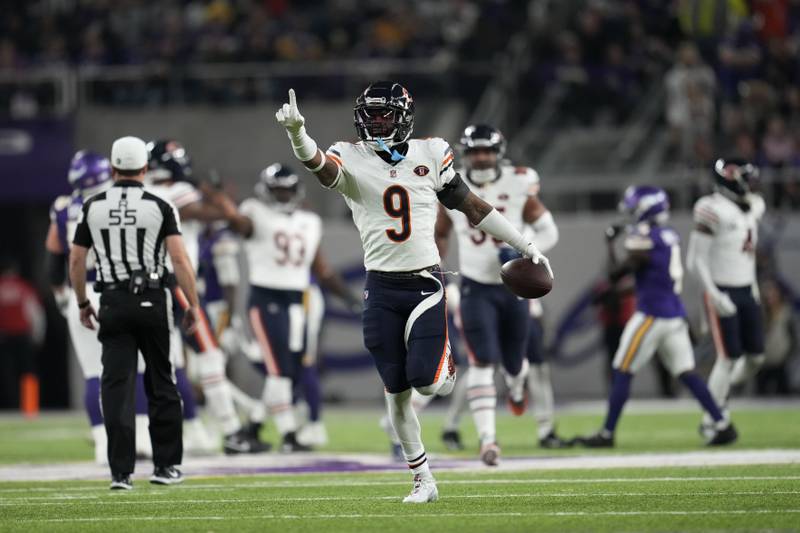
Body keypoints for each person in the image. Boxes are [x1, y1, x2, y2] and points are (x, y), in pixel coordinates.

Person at [275, 83, 552, 502]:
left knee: (427, 384)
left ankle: (447, 368)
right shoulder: (350, 157)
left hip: (424, 283)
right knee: (396, 392)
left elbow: (474, 207)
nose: (377, 122)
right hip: (381, 288)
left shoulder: (430, 153)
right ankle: (423, 478)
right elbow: (321, 168)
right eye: (371, 115)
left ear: (403, 116)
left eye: (385, 114)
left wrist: (527, 247)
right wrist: (298, 133)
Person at [69, 135, 197, 490]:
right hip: (153, 300)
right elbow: (179, 259)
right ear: (144, 167)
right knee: (161, 383)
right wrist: (193, 304)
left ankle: (120, 472)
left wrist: (81, 302)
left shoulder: (91, 205)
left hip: (111, 300)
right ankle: (166, 466)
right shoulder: (161, 204)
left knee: (115, 385)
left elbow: (77, 258)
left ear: (112, 168)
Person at [434, 124, 564, 465]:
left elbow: (549, 230)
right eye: (474, 151)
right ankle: (488, 441)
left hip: (513, 290)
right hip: (476, 288)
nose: (480, 157)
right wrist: (437, 268)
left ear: (498, 152)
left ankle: (517, 390)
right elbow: (440, 234)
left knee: (516, 364)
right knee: (480, 362)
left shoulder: (519, 181)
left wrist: (526, 255)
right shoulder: (450, 184)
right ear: (465, 153)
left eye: (486, 150)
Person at [574, 186, 737, 448]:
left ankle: (607, 432)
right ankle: (722, 423)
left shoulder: (645, 236)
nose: (629, 212)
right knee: (686, 372)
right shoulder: (669, 235)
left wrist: (610, 244)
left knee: (622, 369)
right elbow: (651, 277)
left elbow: (616, 272)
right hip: (674, 315)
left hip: (652, 315)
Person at [215, 163, 359, 452]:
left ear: (296, 191)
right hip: (266, 298)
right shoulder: (254, 210)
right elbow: (239, 224)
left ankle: (256, 429)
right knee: (279, 369)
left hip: (297, 300)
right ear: (266, 191)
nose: (282, 196)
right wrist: (222, 202)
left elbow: (322, 270)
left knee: (290, 370)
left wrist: (348, 297)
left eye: (286, 190)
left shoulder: (309, 221)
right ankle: (278, 433)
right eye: (277, 190)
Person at [146, 140, 267, 455]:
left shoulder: (145, 190)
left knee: (170, 365)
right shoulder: (178, 192)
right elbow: (223, 215)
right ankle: (231, 431)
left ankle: (177, 431)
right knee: (209, 358)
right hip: (176, 286)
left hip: (150, 285)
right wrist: (214, 193)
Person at [45, 150, 157, 463]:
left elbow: (54, 259)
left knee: (95, 372)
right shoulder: (127, 202)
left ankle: (102, 444)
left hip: (82, 293)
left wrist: (63, 296)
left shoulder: (64, 207)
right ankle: (144, 440)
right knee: (139, 366)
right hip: (121, 290)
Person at [687, 158, 766, 437]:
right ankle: (713, 415)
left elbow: (748, 251)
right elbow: (695, 260)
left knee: (756, 357)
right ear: (731, 178)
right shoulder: (711, 208)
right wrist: (713, 293)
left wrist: (754, 285)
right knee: (728, 357)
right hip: (723, 289)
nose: (752, 184)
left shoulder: (752, 206)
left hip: (747, 288)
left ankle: (719, 394)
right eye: (746, 178)